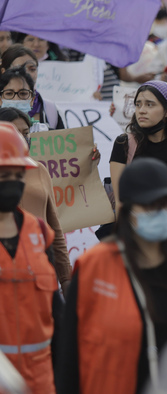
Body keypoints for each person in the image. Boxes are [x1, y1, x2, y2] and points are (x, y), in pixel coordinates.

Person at [56, 158, 167, 394]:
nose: (160, 212)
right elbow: (70, 353)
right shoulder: (95, 265)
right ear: (127, 210)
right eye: (150, 205)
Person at [0, 122, 58, 393]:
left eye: (18, 175)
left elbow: (55, 308)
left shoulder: (39, 232)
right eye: (3, 176)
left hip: (39, 378)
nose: (12, 184)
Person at [0, 107, 71, 291]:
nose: (23, 139)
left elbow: (55, 230)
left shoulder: (39, 170)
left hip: (40, 278)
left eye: (26, 133)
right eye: (16, 133)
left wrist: (66, 279)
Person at [110, 81, 167, 217]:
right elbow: (120, 202)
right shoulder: (124, 143)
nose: (141, 110)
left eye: (149, 104)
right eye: (138, 104)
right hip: (133, 228)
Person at [1, 44, 65, 129]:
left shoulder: (50, 111)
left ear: (32, 99)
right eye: (19, 68)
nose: (27, 73)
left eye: (32, 69)